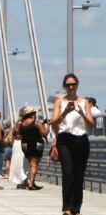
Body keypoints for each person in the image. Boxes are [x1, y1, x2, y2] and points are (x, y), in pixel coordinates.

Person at [51, 73, 94, 215]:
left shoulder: (85, 102)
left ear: (77, 85)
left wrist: (81, 113)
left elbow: (91, 125)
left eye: (73, 84)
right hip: (65, 140)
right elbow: (54, 123)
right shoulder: (59, 102)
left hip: (81, 140)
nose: (71, 87)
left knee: (79, 175)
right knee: (68, 173)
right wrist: (64, 112)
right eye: (68, 85)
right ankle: (67, 207)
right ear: (65, 86)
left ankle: (77, 208)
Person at [16, 105, 48, 190]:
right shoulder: (36, 123)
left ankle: (32, 182)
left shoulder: (21, 124)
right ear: (32, 113)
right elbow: (44, 134)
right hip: (36, 144)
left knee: (31, 164)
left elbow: (19, 135)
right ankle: (31, 184)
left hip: (25, 145)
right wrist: (48, 125)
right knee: (34, 165)